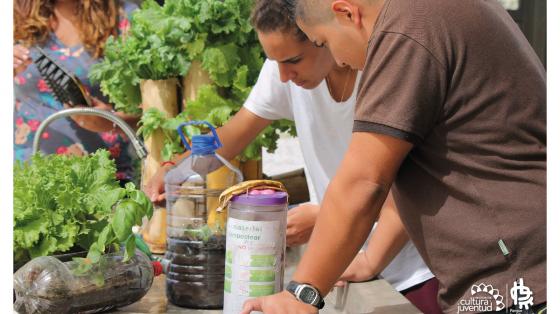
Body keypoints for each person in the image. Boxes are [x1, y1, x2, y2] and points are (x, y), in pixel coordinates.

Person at [241, 0, 546, 313]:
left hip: (520, 276)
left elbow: (365, 180)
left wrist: (300, 293)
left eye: (323, 42)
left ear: (346, 13)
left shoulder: (408, 25)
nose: (337, 58)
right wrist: (371, 258)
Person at [144, 0, 441, 312]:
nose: (284, 76)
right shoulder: (283, 70)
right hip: (341, 264)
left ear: (321, 33)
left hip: (415, 269)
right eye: (275, 63)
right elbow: (233, 134)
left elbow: (398, 184)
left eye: (294, 60)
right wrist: (177, 168)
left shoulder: (385, 73)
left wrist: (332, 223)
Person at [14, 0, 139, 181]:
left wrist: (112, 121)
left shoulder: (124, 18)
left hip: (101, 178)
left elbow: (154, 113)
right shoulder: (15, 13)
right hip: (26, 174)